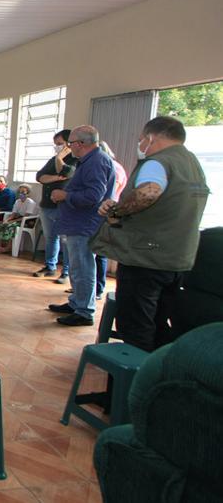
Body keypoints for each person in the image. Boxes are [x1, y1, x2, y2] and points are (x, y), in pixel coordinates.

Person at [92, 117, 209, 350]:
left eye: (141, 140)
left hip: (146, 259)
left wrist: (117, 210)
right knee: (158, 323)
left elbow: (149, 192)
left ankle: (131, 383)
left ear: (151, 138)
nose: (141, 145)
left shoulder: (158, 162)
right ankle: (157, 375)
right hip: (177, 258)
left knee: (136, 326)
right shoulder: (191, 163)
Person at [47, 125, 115, 327]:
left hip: (85, 224)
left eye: (71, 143)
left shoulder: (97, 162)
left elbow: (94, 196)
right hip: (77, 222)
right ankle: (77, 302)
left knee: (83, 267)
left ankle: (84, 311)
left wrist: (65, 195)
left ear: (81, 143)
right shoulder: (88, 161)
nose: (69, 147)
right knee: (77, 267)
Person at [33, 130, 77, 283]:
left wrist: (60, 159)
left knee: (65, 240)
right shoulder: (52, 160)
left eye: (60, 144)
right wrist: (57, 177)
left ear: (68, 144)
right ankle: (50, 267)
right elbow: (40, 176)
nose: (57, 148)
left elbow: (67, 172)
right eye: (56, 145)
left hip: (63, 207)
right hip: (47, 205)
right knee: (51, 237)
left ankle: (65, 272)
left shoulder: (75, 159)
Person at [92, 141, 128, 299]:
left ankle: (98, 289)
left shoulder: (114, 167)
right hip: (101, 213)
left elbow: (111, 193)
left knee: (100, 253)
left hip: (107, 214)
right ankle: (91, 288)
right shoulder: (107, 166)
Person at [0, 184, 37, 253]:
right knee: (0, 224)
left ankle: (8, 248)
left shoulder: (30, 202)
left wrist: (11, 222)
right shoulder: (17, 201)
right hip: (18, 219)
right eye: (19, 192)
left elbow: (26, 216)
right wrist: (7, 220)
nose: (20, 194)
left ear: (28, 194)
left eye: (23, 192)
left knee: (11, 226)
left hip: (28, 221)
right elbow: (13, 214)